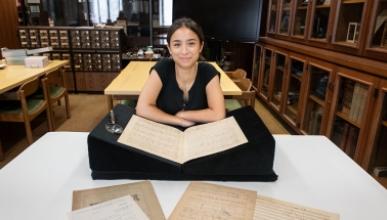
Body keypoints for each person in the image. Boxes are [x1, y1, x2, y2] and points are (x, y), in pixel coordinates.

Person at [136, 17, 225, 127]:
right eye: (177, 45)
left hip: (199, 136)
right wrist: (178, 120)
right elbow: (142, 108)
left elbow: (218, 114)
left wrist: (184, 115)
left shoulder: (208, 71)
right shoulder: (162, 68)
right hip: (164, 133)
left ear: (200, 46)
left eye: (191, 44)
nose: (184, 51)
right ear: (169, 48)